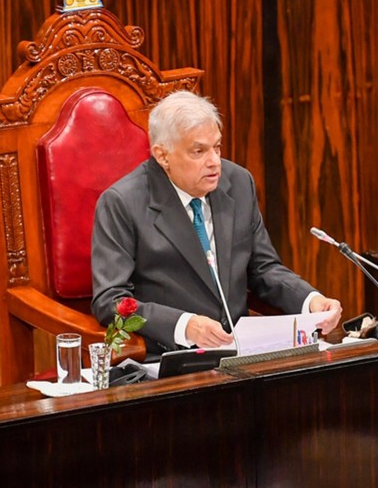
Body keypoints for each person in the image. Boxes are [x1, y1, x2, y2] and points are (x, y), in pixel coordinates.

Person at [91, 90, 342, 355]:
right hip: (170, 357)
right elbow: (111, 300)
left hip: (242, 352)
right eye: (198, 151)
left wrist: (311, 300)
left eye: (217, 147)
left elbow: (264, 268)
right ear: (162, 156)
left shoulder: (238, 183)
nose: (214, 162)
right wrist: (184, 325)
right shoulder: (122, 203)